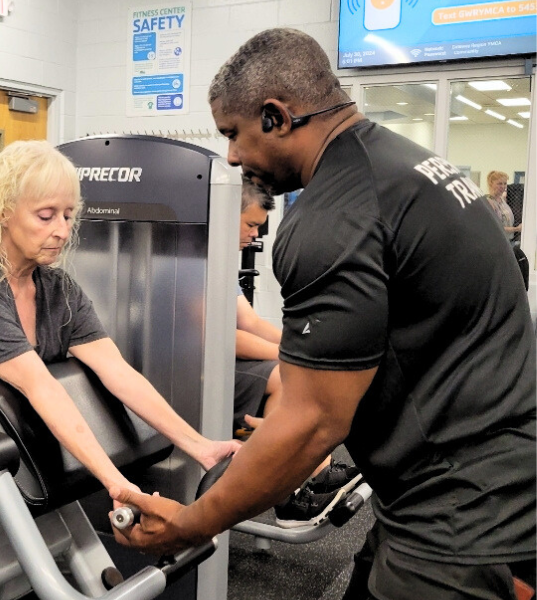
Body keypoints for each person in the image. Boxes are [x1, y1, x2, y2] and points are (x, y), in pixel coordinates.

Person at [110, 28, 536, 600]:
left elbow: (313, 424)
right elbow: (408, 339)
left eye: (233, 134)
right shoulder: (415, 166)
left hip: (461, 517)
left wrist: (193, 521)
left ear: (277, 116)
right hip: (474, 482)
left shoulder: (333, 216)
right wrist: (287, 435)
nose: (232, 156)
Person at [0, 140, 241, 502]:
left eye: (68, 215)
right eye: (46, 216)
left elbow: (118, 373)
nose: (62, 230)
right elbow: (41, 387)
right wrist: (117, 484)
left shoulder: (57, 288)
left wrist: (200, 447)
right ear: (3, 212)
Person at [236, 176, 361, 528]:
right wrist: (288, 358)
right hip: (198, 370)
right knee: (284, 376)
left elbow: (248, 321)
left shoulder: (223, 259)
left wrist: (296, 348)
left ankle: (319, 470)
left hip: (224, 361)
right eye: (250, 225)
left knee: (299, 368)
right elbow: (222, 338)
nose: (255, 235)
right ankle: (287, 497)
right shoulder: (199, 259)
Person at [486, 170, 521, 242]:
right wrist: (516, 229)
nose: (503, 186)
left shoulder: (503, 200)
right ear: (491, 184)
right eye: (499, 184)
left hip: (507, 240)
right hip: (496, 241)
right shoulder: (489, 201)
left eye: (505, 183)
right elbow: (495, 227)